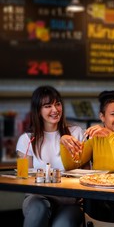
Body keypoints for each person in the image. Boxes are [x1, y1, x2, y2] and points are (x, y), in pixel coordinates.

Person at [60, 90, 114, 222]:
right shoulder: (96, 140)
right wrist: (64, 142)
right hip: (100, 197)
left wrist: (110, 137)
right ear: (102, 117)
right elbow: (71, 165)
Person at [16, 85, 85, 227]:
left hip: (70, 201)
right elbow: (23, 177)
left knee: (63, 223)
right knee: (38, 209)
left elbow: (86, 172)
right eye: (48, 106)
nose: (55, 110)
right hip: (37, 198)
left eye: (57, 104)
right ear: (38, 110)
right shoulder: (26, 139)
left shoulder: (76, 133)